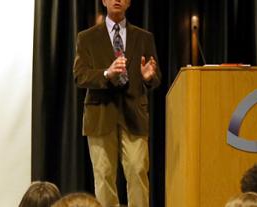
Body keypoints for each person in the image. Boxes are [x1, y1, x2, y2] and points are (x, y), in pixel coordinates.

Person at [73, 0, 161, 206]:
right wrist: (107, 73)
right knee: (104, 176)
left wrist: (148, 77)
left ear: (130, 2)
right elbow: (80, 76)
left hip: (134, 116)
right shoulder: (86, 38)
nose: (117, 0)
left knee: (138, 170)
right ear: (104, 1)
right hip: (101, 114)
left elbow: (155, 77)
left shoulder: (144, 37)